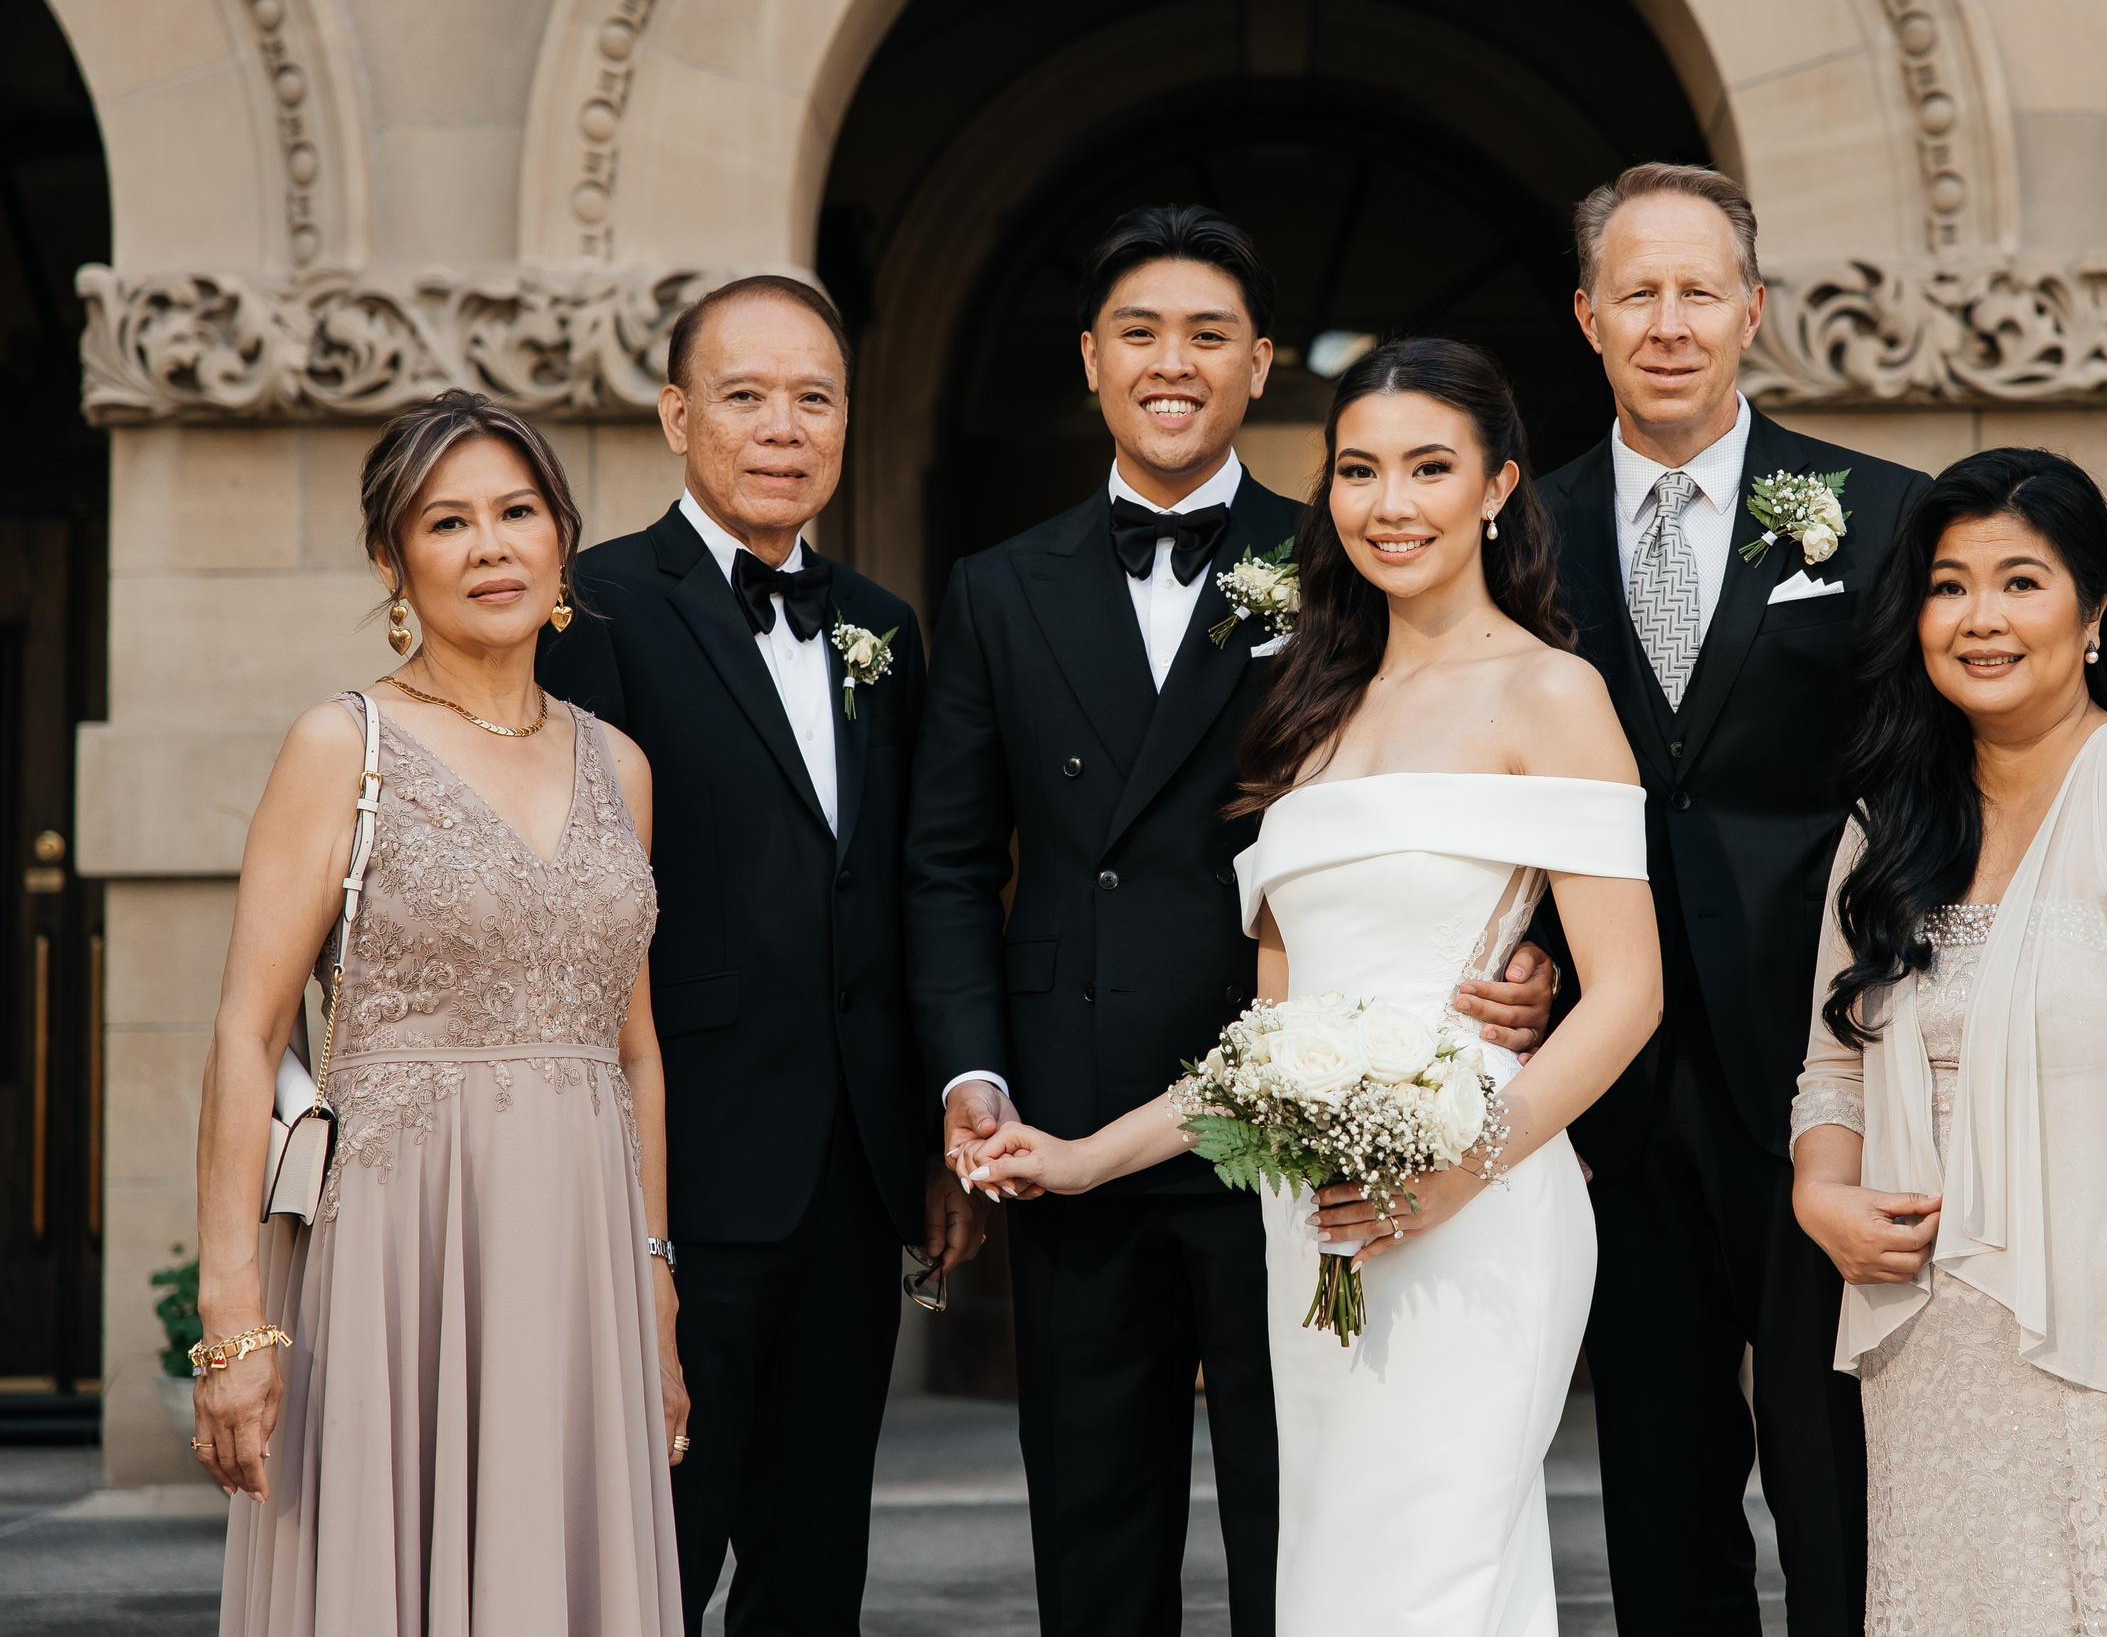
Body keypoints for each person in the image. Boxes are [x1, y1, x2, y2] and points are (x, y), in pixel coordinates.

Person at [904, 212, 1556, 1637]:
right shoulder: (999, 588)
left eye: (1209, 333)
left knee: (1305, 1520)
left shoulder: (1350, 555)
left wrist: (1531, 945)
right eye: (1139, 330)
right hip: (1074, 1118)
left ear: (1261, 365)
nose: (1172, 361)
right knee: (1094, 1529)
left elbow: (1462, 778)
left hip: (1308, 1111)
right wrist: (974, 1076)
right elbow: (949, 861)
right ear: (1090, 359)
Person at [537, 277, 981, 1636]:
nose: (782, 426)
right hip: (679, 1161)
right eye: (745, 394)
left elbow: (909, 887)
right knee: (652, 1546)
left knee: (815, 1559)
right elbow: (568, 903)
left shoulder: (885, 630)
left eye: (814, 398)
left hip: (851, 1172)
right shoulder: (592, 605)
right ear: (677, 413)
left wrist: (927, 1125)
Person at [199, 391, 682, 1632]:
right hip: (396, 1253)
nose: (490, 547)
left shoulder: (616, 763)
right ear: (393, 561)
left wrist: (656, 1283)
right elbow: (248, 1037)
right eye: (447, 522)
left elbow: (635, 1056)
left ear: (561, 540)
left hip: (583, 1257)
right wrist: (233, 1321)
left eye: (517, 513)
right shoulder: (341, 746)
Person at [1792, 446, 2107, 1633]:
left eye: (2021, 582)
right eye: (1948, 584)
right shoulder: (1889, 828)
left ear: (2093, 609)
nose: (1981, 619)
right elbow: (1831, 1063)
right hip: (1933, 1355)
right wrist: (1823, 1195)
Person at [1537, 161, 1929, 1636]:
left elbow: (1919, 784)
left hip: (1824, 1064)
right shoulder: (1524, 531)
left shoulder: (1879, 517)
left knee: (1842, 1467)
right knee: (1657, 1469)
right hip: (1614, 1076)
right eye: (1637, 291)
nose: (1670, 320)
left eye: (1700, 290)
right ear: (1587, 317)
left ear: (1753, 310)